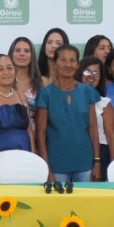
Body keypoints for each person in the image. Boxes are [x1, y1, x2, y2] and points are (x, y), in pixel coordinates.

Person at [36, 44, 102, 184]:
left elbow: (92, 128)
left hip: (85, 162)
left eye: (72, 60)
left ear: (78, 64)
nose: (68, 64)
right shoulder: (45, 95)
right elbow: (40, 134)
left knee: (85, 204)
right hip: (56, 164)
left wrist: (97, 161)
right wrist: (46, 167)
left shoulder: (87, 91)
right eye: (63, 60)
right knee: (58, 205)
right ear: (55, 64)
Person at [77, 56, 114, 174]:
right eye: (87, 71)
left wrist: (113, 168)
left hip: (101, 152)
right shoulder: (69, 99)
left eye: (96, 72)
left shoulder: (104, 103)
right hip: (76, 151)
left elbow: (112, 137)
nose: (91, 76)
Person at [9, 35, 43, 106]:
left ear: (32, 55)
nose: (22, 54)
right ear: (11, 53)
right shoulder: (2, 80)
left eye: (26, 51)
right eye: (18, 50)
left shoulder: (42, 81)